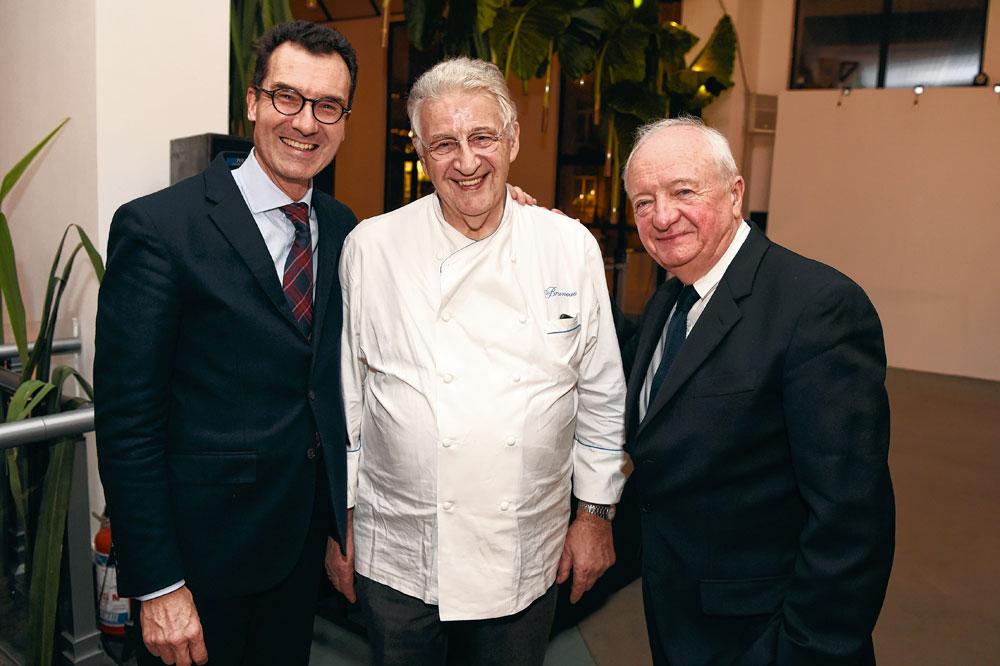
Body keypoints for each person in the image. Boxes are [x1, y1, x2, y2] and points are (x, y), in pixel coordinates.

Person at [328, 57, 628, 666]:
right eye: (443, 143)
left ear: (513, 139)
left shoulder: (567, 245)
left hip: (522, 551)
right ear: (419, 150)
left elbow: (600, 392)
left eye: (483, 137)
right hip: (398, 550)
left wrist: (596, 514)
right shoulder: (372, 247)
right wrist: (343, 520)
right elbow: (347, 398)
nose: (466, 162)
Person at [95, 21, 359, 666]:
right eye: (287, 97)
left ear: (344, 120)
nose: (306, 122)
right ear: (252, 101)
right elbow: (129, 421)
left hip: (296, 551)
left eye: (328, 106)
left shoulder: (344, 226)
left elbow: (326, 387)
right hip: (198, 562)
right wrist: (158, 582)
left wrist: (506, 215)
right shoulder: (159, 226)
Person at [621, 117, 894, 665]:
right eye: (643, 201)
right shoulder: (666, 305)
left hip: (768, 639)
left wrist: (800, 651)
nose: (662, 215)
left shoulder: (817, 308)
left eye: (682, 192)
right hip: (680, 622)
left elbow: (850, 521)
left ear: (735, 193)